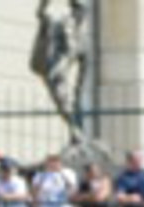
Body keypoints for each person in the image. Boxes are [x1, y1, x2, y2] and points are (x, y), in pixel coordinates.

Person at [31, 0, 89, 136]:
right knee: (61, 100)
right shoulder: (61, 23)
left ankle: (76, 129)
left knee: (68, 101)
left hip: (59, 71)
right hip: (48, 65)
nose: (79, 15)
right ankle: (75, 129)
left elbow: (77, 59)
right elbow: (42, 15)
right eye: (76, 10)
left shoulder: (81, 38)